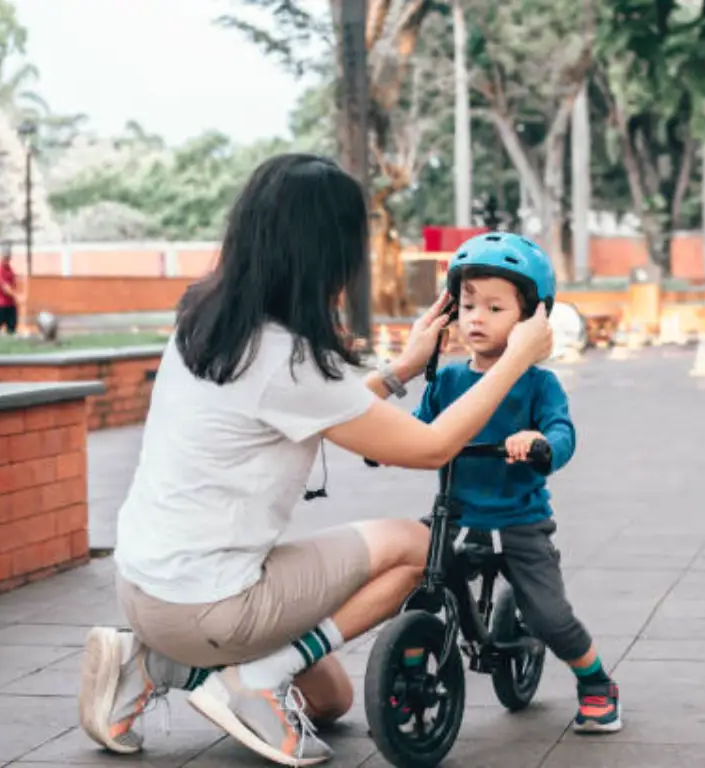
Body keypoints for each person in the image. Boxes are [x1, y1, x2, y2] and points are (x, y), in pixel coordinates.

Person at [76, 154, 553, 767]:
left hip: (147, 588)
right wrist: (515, 360)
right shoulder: (287, 357)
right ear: (328, 251)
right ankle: (255, 677)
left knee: (331, 700)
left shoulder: (207, 316)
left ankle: (151, 662)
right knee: (416, 546)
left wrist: (403, 369)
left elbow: (320, 410)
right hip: (210, 603)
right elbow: (430, 446)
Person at [409, 232, 622, 734]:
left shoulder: (539, 384)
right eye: (467, 306)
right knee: (416, 588)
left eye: (494, 307)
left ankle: (595, 682)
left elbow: (562, 434)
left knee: (549, 617)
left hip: (519, 521)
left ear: (531, 320)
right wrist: (384, 444)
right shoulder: (447, 381)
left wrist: (539, 442)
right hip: (457, 516)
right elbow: (414, 430)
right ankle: (405, 677)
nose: (476, 318)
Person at [0, 243, 18, 334]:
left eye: (8, 256)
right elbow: (5, 287)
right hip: (0, 304)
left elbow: (13, 285)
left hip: (10, 304)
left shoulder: (10, 270)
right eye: (5, 257)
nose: (7, 259)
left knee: (12, 330)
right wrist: (17, 295)